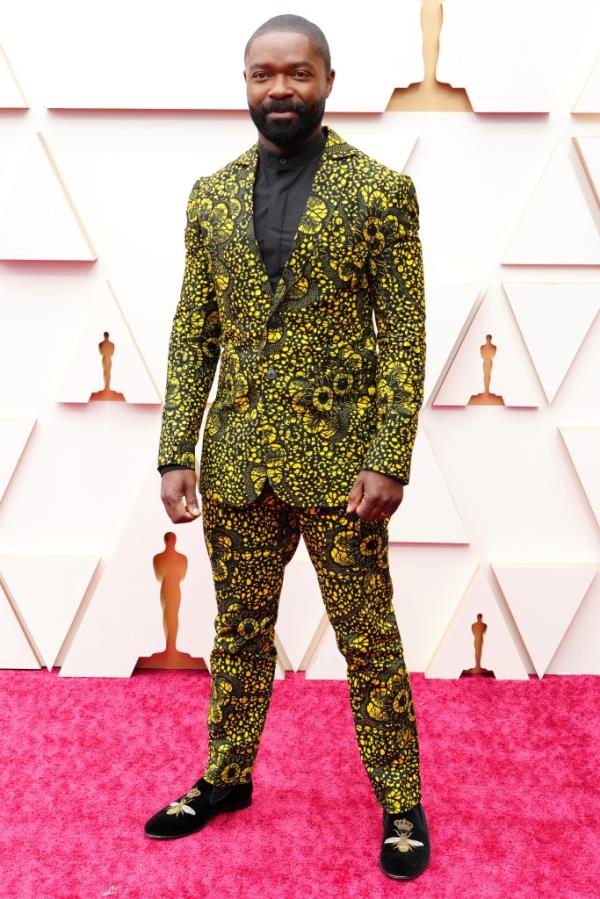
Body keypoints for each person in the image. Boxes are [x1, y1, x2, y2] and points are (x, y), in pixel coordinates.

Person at [144, 13, 430, 881]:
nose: (279, 90)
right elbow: (195, 330)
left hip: (344, 469)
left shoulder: (379, 191)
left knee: (367, 637)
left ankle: (402, 799)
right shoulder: (211, 194)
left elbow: (406, 337)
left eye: (297, 74)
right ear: (245, 83)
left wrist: (389, 454)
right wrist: (175, 448)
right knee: (236, 632)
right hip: (236, 461)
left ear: (329, 82)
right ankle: (226, 776)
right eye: (263, 74)